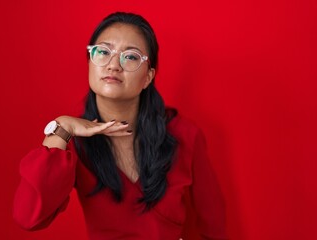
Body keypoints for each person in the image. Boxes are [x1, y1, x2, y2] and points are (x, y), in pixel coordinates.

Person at [13, 12, 228, 240]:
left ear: (148, 77)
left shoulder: (184, 135)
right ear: (89, 62)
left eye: (131, 57)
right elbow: (28, 216)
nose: (113, 65)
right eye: (103, 52)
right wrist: (62, 126)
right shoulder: (73, 141)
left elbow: (214, 226)